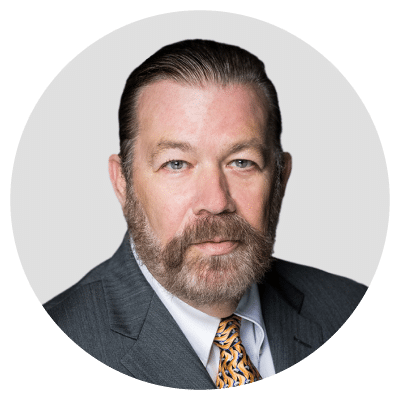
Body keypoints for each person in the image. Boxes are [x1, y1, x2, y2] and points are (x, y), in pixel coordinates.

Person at [43, 39, 367, 390]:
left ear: (280, 178)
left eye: (241, 162)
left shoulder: (356, 313)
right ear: (123, 182)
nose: (215, 201)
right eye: (176, 164)